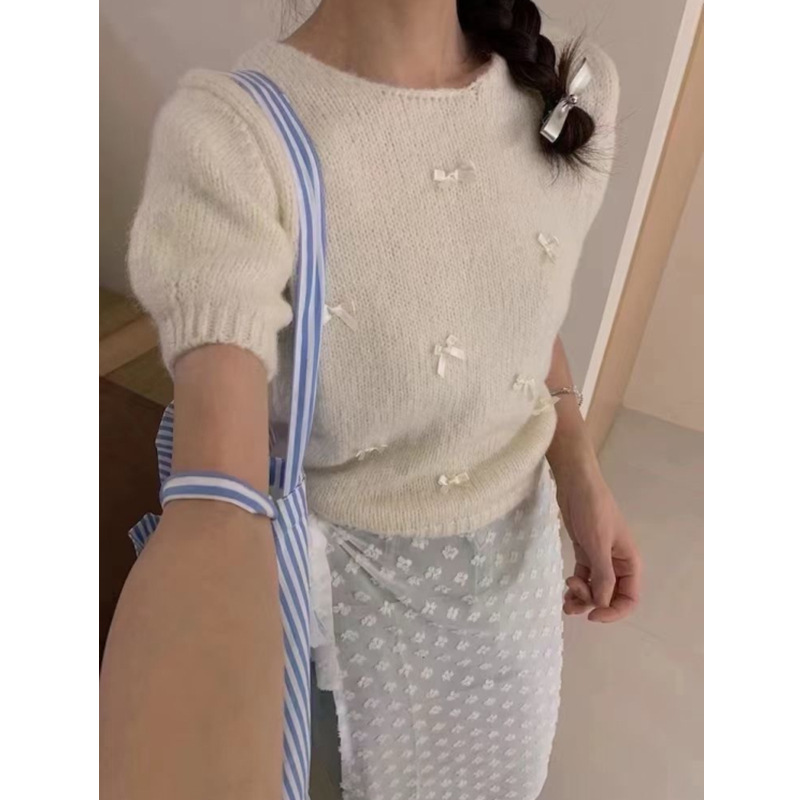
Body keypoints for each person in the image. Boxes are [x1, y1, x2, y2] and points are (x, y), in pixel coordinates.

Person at [100, 1, 642, 798]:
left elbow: (513, 310)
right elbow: (214, 506)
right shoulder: (237, 139)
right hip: (348, 626)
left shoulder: (572, 85)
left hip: (516, 594)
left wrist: (579, 470)